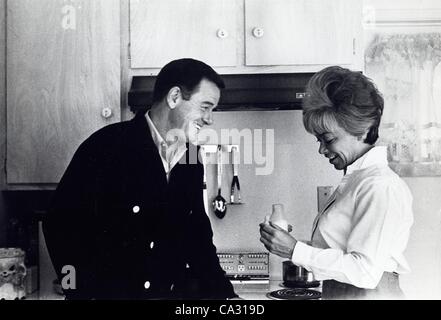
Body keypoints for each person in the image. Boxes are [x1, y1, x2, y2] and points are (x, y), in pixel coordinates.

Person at [43, 58, 238, 300]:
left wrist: (227, 298)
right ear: (175, 97)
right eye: (205, 107)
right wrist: (78, 290)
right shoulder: (105, 146)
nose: (210, 119)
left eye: (213, 110)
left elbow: (196, 234)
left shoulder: (191, 158)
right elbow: (59, 221)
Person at [259, 66, 414, 300]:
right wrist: (288, 244)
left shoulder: (379, 186)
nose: (322, 149)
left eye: (328, 139)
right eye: (318, 140)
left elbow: (365, 272)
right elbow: (342, 253)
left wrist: (294, 249)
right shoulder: (357, 181)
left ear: (361, 131)